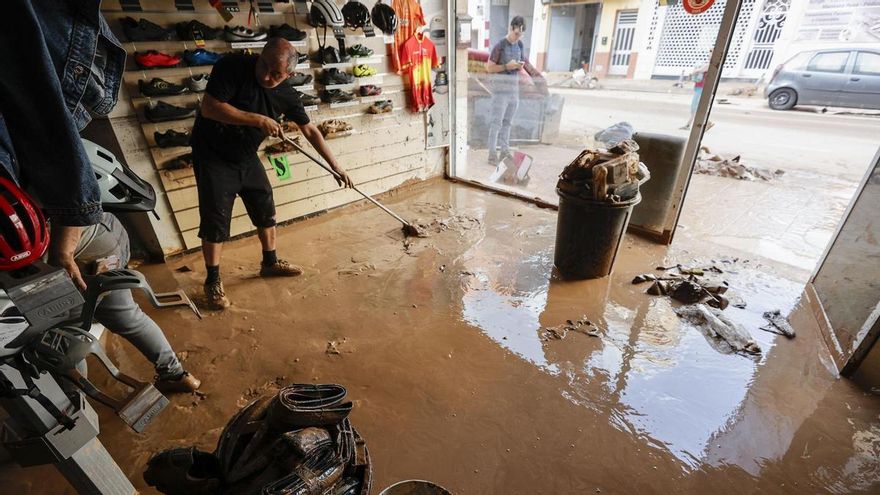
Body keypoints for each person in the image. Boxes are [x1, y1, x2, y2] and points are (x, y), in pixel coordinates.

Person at [0, 2, 199, 393]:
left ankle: (86, 398)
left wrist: (60, 254)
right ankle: (177, 376)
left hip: (73, 244)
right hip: (83, 238)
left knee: (70, 324)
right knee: (112, 316)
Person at [191, 38, 353, 310]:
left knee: (264, 206)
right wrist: (258, 119)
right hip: (212, 155)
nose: (266, 76)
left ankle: (270, 262)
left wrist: (336, 167)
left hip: (245, 155)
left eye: (276, 74)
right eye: (263, 65)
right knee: (215, 218)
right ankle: (213, 281)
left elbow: (311, 131)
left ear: (288, 74)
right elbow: (210, 108)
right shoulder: (232, 66)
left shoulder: (287, 94)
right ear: (259, 55)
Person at [486, 16, 528, 166]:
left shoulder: (520, 45)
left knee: (507, 123)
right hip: (500, 91)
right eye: (516, 34)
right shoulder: (500, 46)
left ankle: (504, 151)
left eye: (521, 35)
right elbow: (489, 68)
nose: (518, 37)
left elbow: (521, 63)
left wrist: (519, 66)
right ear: (511, 28)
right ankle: (492, 155)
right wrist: (506, 67)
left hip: (513, 90)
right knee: (496, 123)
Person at [681, 49, 715, 131]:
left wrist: (694, 72)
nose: (709, 56)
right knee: (696, 108)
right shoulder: (708, 64)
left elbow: (699, 70)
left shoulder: (709, 65)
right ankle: (688, 124)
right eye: (709, 54)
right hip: (700, 88)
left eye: (711, 54)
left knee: (694, 107)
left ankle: (707, 122)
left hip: (701, 89)